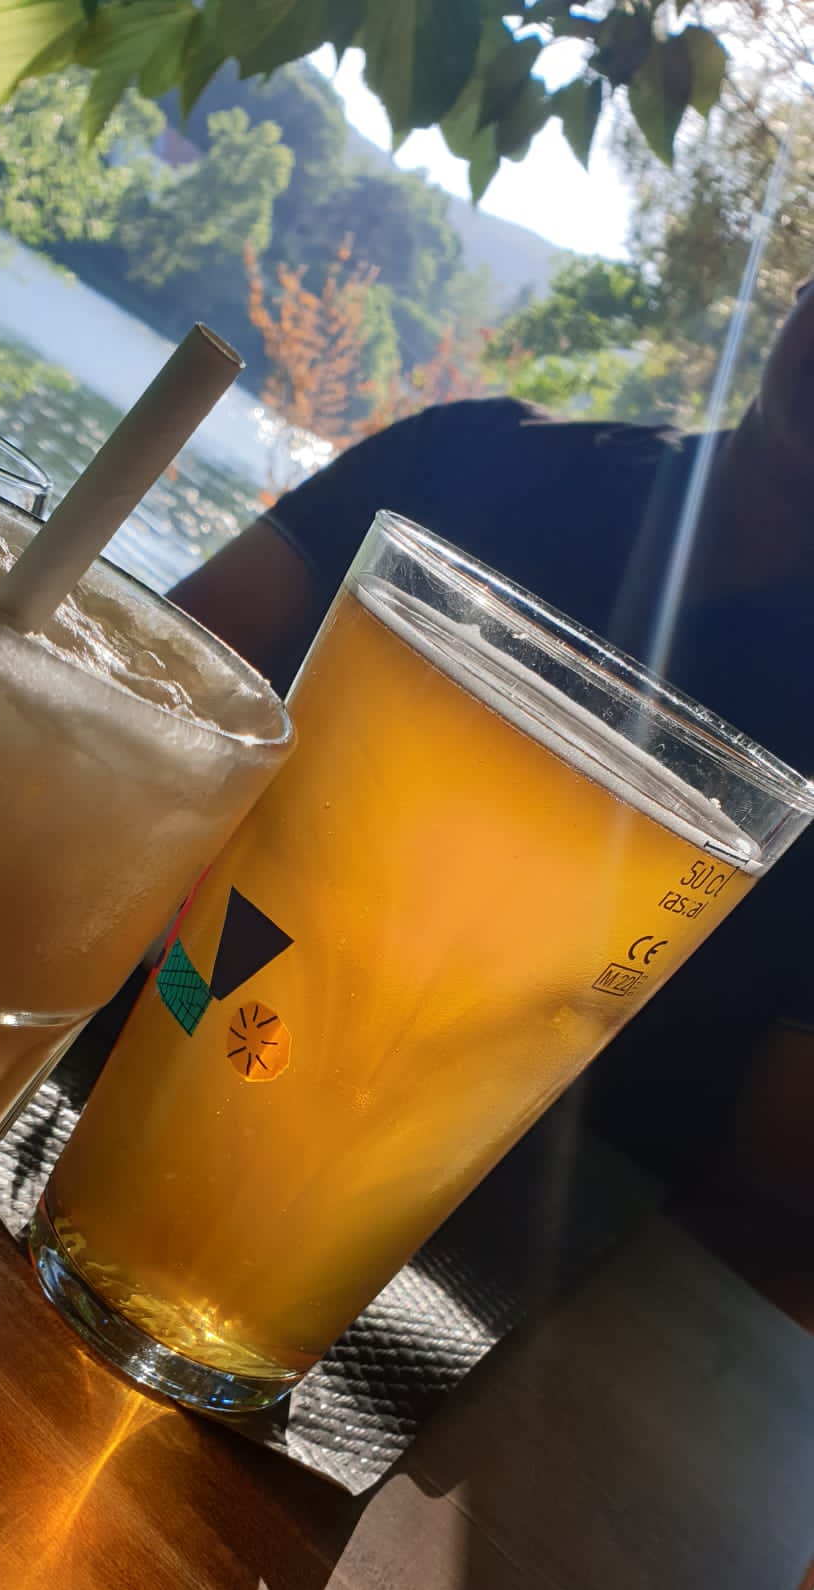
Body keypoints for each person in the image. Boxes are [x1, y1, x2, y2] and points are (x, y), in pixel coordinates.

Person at [167, 286, 814, 1305]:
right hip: (158, 1061)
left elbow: (771, 1208)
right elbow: (156, 698)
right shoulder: (478, 456)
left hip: (487, 1295)